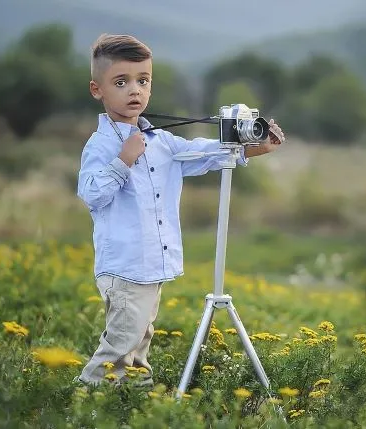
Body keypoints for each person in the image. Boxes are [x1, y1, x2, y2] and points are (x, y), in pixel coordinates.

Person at [75, 34, 286, 386]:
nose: (134, 91)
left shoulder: (161, 140)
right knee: (121, 343)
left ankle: (135, 396)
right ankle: (85, 400)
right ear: (97, 90)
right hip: (126, 266)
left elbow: (199, 153)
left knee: (140, 339)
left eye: (143, 81)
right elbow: (91, 194)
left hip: (150, 264)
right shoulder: (102, 144)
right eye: (121, 82)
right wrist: (123, 160)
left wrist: (250, 149)